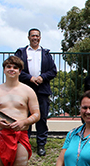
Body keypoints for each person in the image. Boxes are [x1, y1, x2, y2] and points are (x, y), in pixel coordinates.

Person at [16, 28, 58, 157]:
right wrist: (30, 78)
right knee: (25, 117)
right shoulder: (21, 52)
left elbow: (53, 71)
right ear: (28, 37)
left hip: (42, 90)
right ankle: (24, 143)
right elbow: (16, 68)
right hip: (25, 89)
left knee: (42, 117)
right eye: (33, 36)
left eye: (37, 36)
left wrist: (42, 77)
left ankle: (41, 145)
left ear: (40, 38)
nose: (35, 38)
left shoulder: (46, 54)